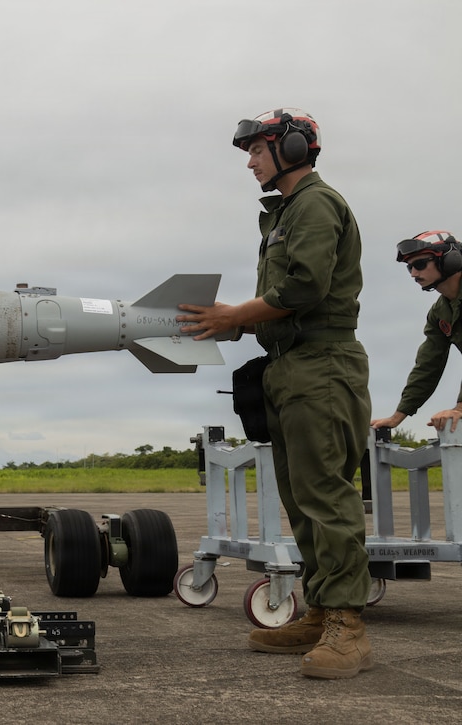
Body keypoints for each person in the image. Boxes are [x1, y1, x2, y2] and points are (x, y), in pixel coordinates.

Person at [176, 109, 373, 679]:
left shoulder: (315, 203)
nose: (250, 159)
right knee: (299, 497)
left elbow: (304, 287)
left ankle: (348, 628)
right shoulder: (285, 212)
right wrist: (237, 323)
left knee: (326, 497)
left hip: (322, 365)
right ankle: (321, 609)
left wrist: (235, 315)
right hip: (289, 366)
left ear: (292, 146)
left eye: (258, 148)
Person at [371, 231, 462, 434]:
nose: (413, 274)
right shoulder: (440, 313)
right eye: (409, 267)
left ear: (450, 260)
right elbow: (428, 364)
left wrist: (460, 408)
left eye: (420, 264)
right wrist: (398, 415)